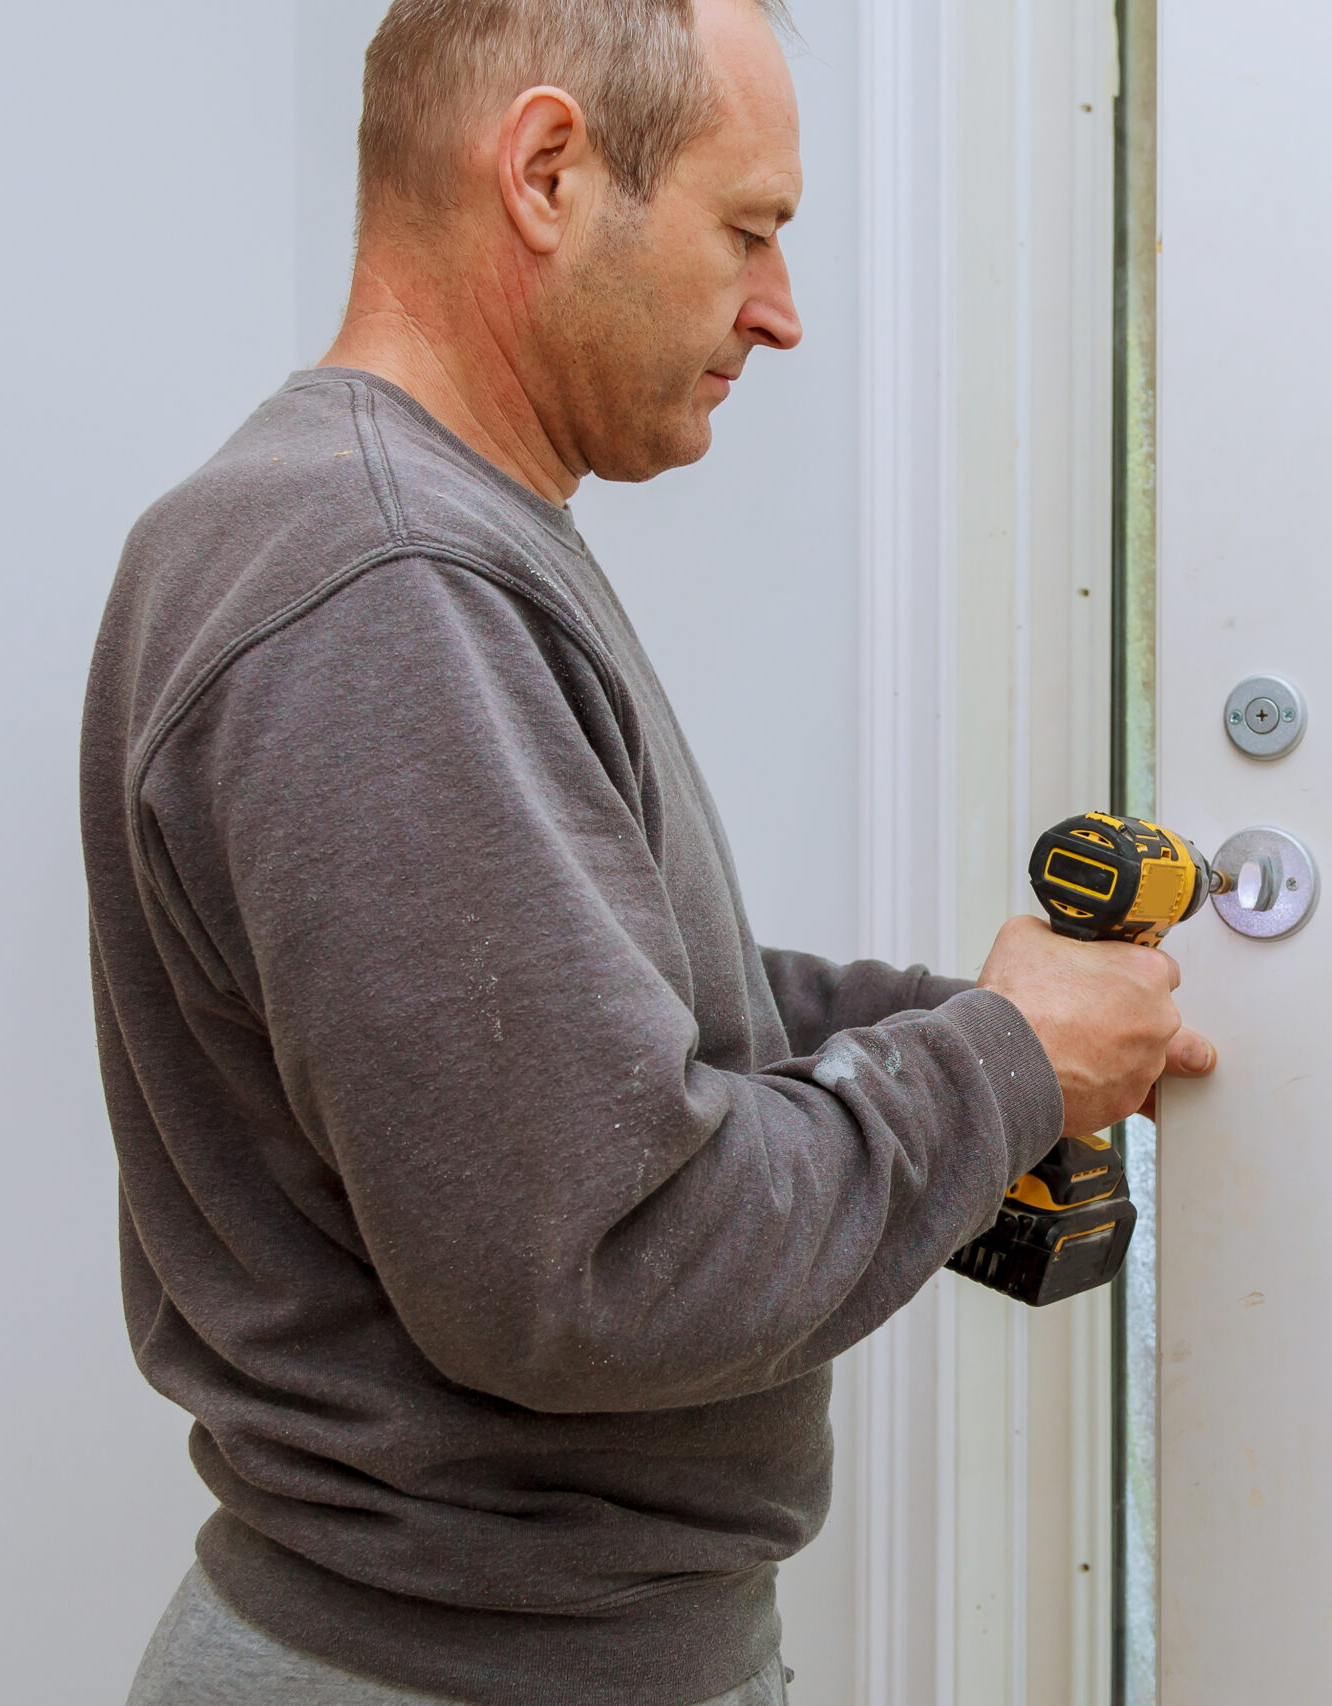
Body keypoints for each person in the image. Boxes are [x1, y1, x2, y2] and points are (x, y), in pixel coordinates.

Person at [80, 2, 1215, 1702]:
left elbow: (596, 1026)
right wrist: (996, 1067)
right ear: (546, 171)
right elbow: (607, 1267)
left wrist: (991, 1027)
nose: (781, 308)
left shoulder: (398, 534)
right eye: (747, 226)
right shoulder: (385, 584)